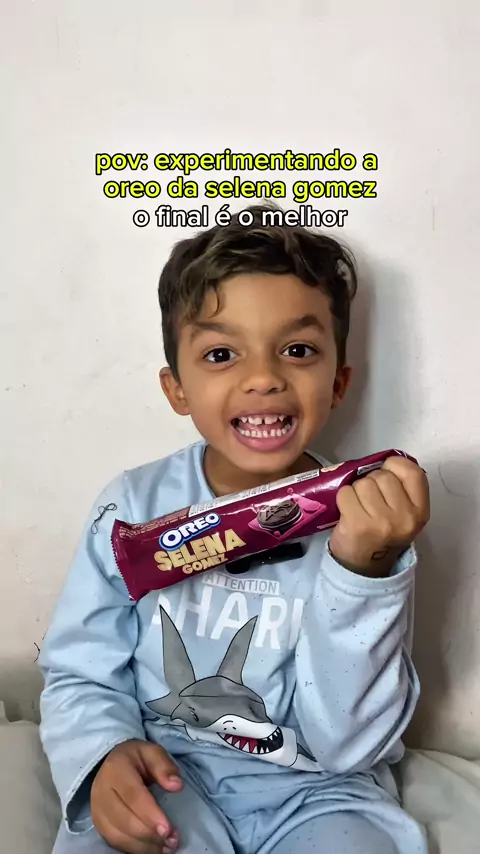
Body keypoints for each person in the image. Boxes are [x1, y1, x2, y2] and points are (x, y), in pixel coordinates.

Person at [40, 205, 430, 854]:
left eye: (298, 350)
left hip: (319, 793)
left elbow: (350, 746)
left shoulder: (369, 522)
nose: (264, 378)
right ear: (177, 389)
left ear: (338, 383)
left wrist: (362, 572)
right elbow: (80, 671)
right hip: (167, 772)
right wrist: (104, 754)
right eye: (221, 353)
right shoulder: (133, 507)